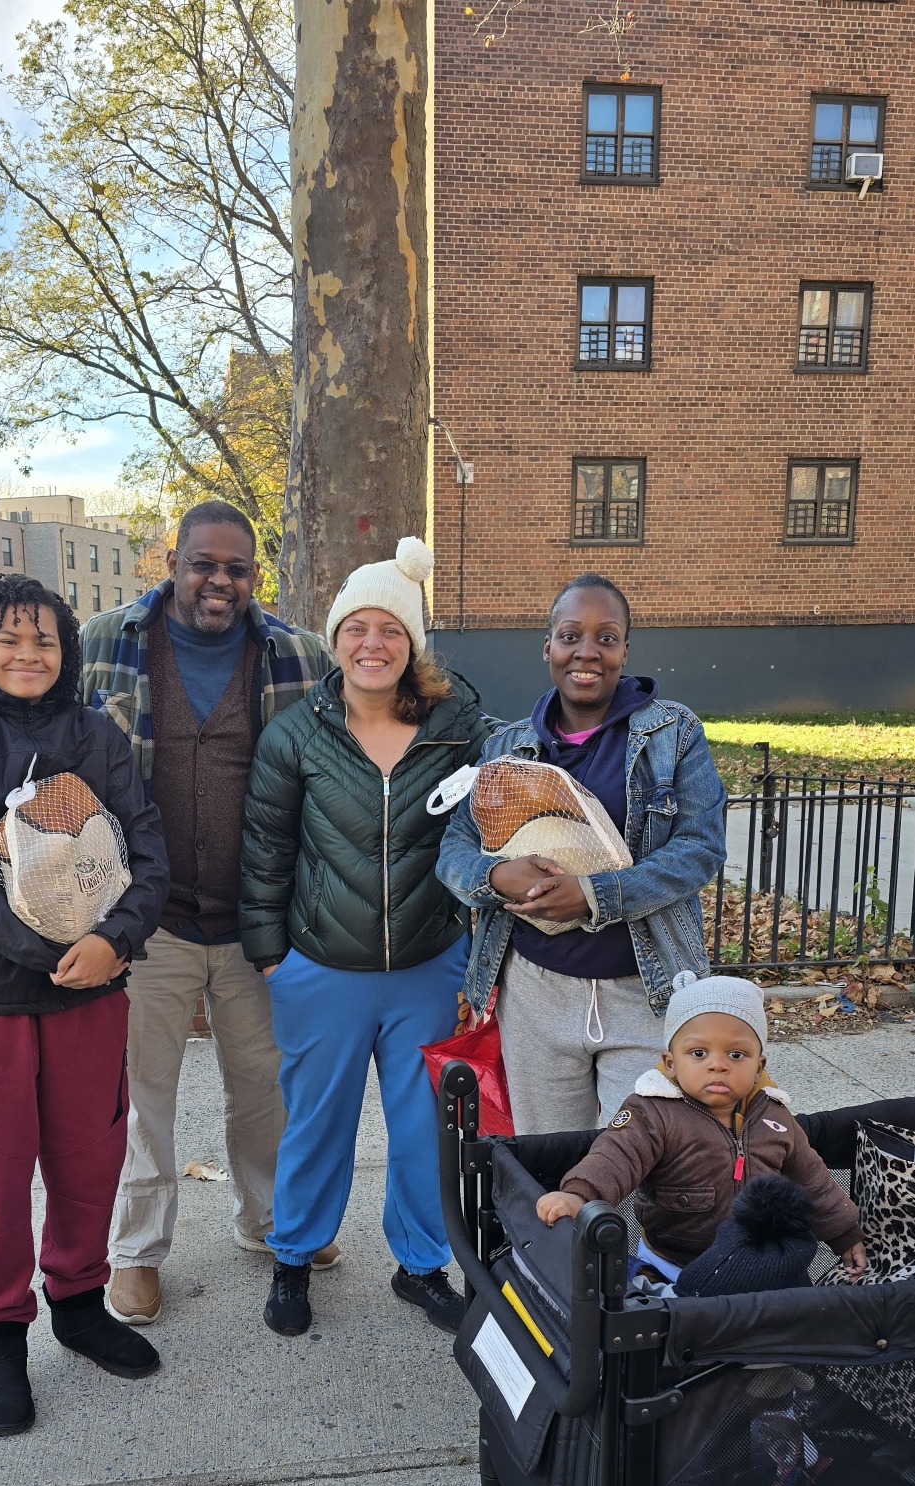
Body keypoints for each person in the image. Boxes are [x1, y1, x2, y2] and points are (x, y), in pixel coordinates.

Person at [0, 574, 170, 1437]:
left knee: (90, 1158)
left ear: (67, 650)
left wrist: (116, 940)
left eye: (45, 640)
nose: (29, 655)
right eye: (9, 639)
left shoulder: (94, 734)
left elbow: (146, 847)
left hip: (92, 987)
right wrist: (58, 953)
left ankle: (79, 1304)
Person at [79, 501, 340, 1327]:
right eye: (203, 564)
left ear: (254, 576)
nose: (219, 581)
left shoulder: (298, 655)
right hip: (142, 918)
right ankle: (136, 1252)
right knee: (140, 1094)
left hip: (260, 920)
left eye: (236, 568)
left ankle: (270, 1221)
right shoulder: (103, 644)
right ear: (172, 563)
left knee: (264, 1086)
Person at [240, 538, 496, 1337]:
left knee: (425, 1130)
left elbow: (495, 832)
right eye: (357, 628)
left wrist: (474, 961)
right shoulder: (296, 734)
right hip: (322, 968)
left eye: (390, 629)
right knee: (317, 1124)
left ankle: (420, 1266)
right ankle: (294, 1257)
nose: (372, 644)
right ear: (336, 639)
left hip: (428, 966)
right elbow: (266, 851)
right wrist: (272, 959)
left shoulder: (460, 732)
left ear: (411, 644)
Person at [436, 574, 727, 1134]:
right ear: (548, 646)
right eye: (570, 636)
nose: (587, 652)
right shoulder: (507, 748)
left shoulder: (673, 734)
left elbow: (700, 848)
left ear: (624, 650)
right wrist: (496, 876)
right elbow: (455, 847)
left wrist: (595, 896)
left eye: (606, 638)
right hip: (534, 993)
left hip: (645, 990)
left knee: (640, 1165)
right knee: (550, 1161)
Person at [535, 971, 867, 1287]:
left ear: (758, 1067)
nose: (718, 1064)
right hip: (671, 1262)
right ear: (671, 1063)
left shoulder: (774, 1116)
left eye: (736, 1054)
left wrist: (843, 1234)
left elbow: (813, 1180)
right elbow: (614, 1157)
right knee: (664, 1316)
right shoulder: (652, 1112)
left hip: (754, 1260)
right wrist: (581, 1196)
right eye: (698, 1053)